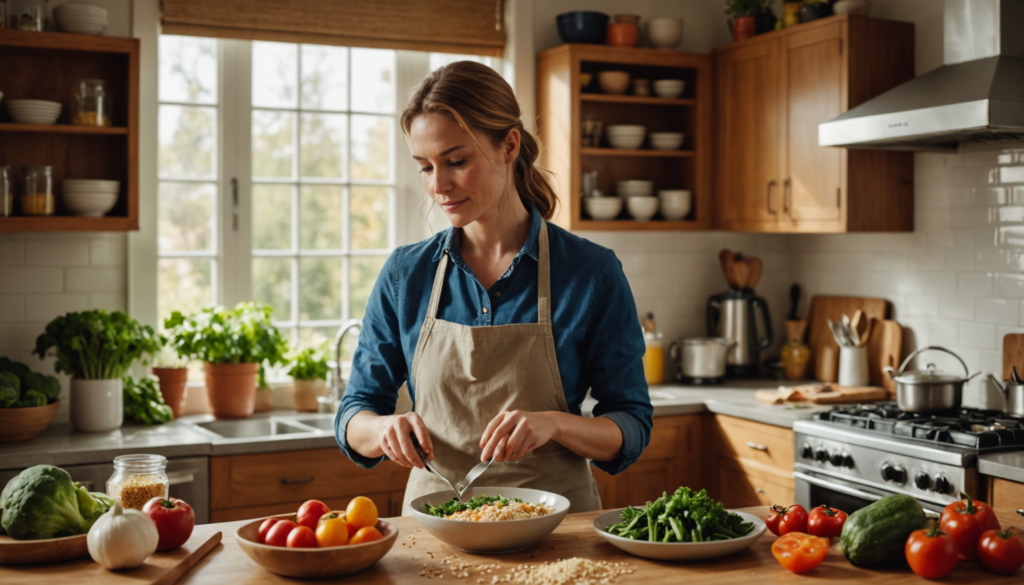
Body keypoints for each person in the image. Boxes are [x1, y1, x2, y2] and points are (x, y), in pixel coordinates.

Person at [335, 61, 652, 515]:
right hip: (433, 533)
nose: (438, 185)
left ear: (509, 145)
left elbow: (631, 423)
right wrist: (381, 428)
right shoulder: (407, 274)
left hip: (555, 530)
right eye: (425, 167)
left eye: (456, 161)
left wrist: (555, 425)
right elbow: (356, 412)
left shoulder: (591, 272)